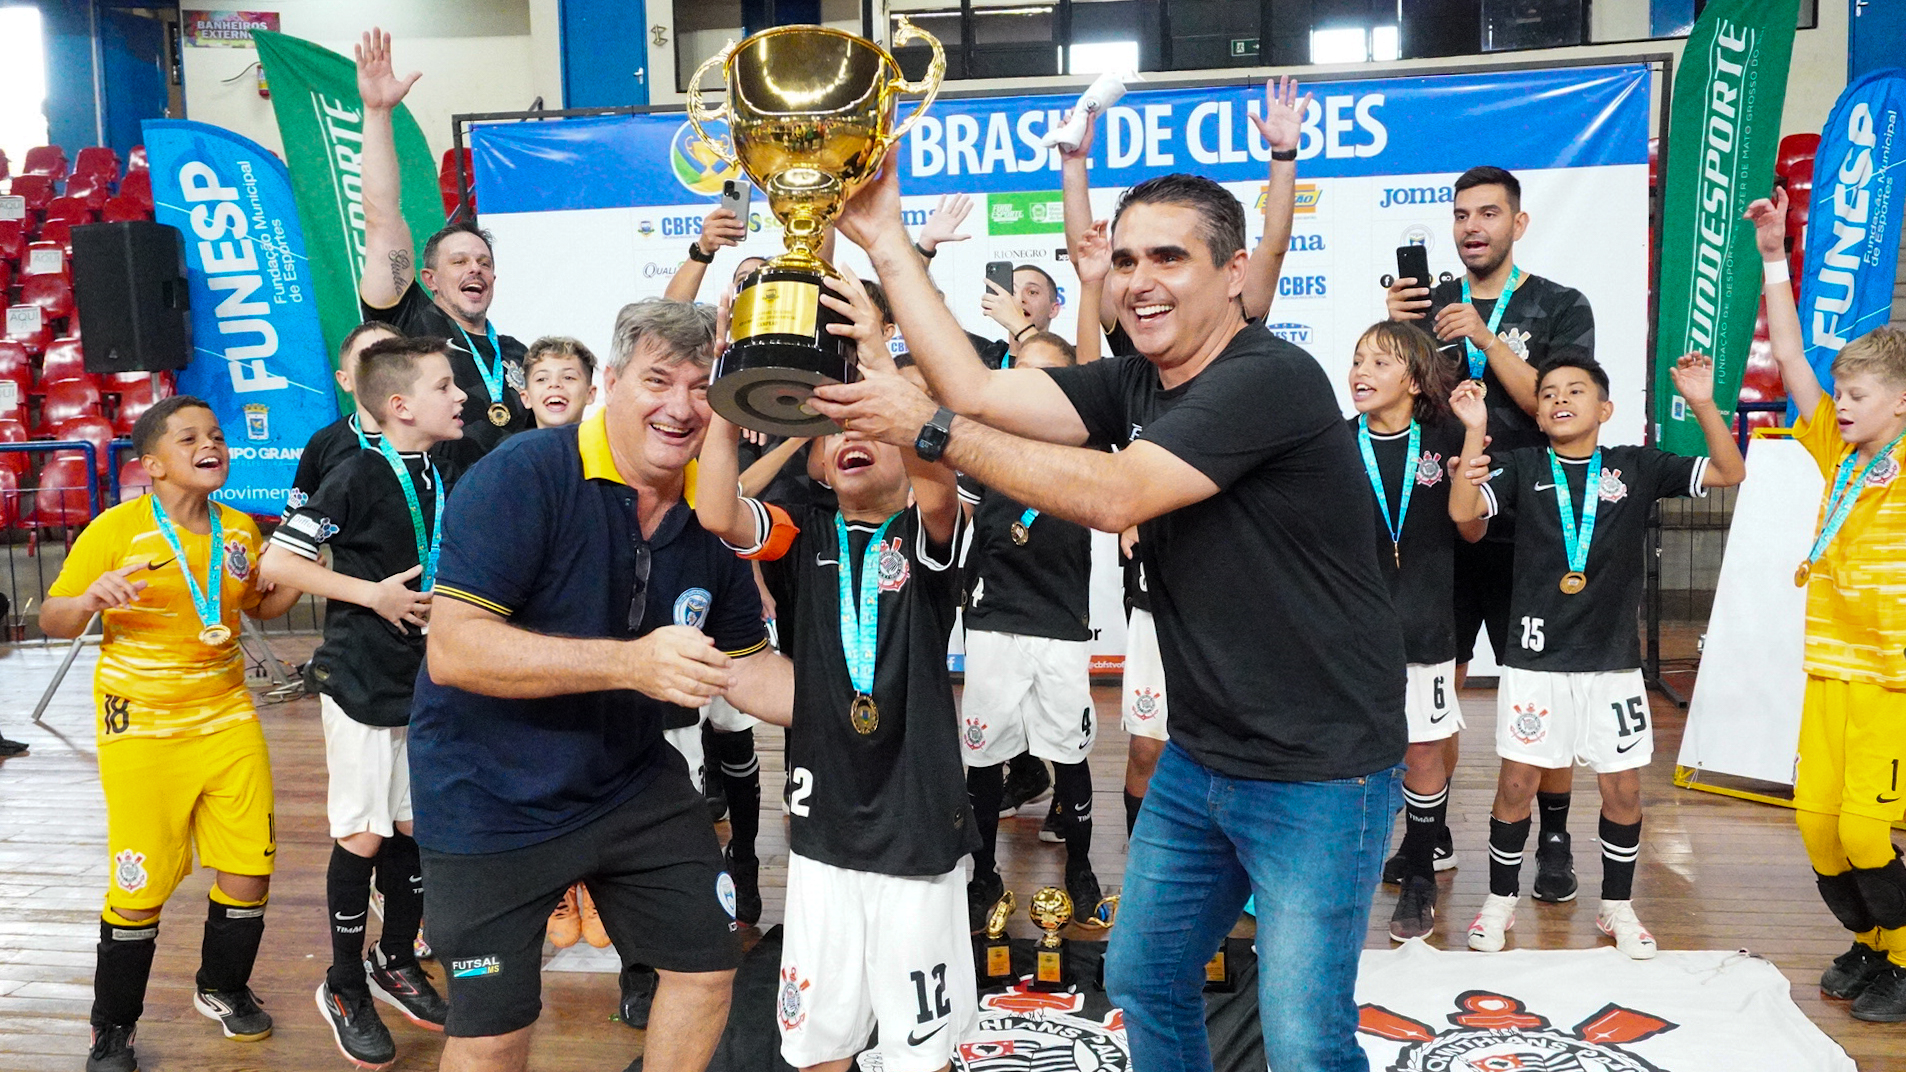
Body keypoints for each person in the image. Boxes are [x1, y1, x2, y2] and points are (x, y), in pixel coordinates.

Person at [812, 159, 1406, 1069]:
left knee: (1304, 1040)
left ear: (1235, 272)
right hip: (1205, 757)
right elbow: (977, 391)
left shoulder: (1271, 379)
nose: (1138, 280)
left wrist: (925, 429)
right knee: (1147, 978)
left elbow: (1118, 494)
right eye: (1125, 260)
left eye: (1168, 257)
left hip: (1320, 774)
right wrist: (890, 241)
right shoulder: (1133, 382)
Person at [409, 298, 789, 1072]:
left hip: (627, 783)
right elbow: (453, 650)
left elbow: (747, 667)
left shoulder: (706, 514)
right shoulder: (524, 474)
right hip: (488, 799)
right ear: (610, 382)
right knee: (491, 1035)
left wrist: (867, 712)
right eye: (658, 381)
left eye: (700, 387)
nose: (680, 408)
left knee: (710, 968)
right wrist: (630, 662)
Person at [695, 276, 975, 1072]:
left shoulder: (931, 532)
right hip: (821, 837)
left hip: (918, 830)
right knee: (817, 1040)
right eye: (835, 425)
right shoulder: (799, 530)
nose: (855, 436)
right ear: (814, 457)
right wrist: (728, 386)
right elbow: (717, 512)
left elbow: (936, 473)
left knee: (923, 1053)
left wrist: (878, 355)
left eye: (874, 424)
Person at [1448, 354, 1743, 959]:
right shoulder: (1521, 465)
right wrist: (1476, 430)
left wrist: (1703, 400)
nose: (1559, 399)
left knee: (1624, 792)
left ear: (1604, 410)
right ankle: (1501, 900)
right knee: (1516, 782)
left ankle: (1617, 907)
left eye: (1575, 391)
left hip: (1612, 665)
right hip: (1535, 662)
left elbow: (1729, 470)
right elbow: (1461, 514)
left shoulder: (1637, 466)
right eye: (1549, 391)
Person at [42, 396, 302, 1072]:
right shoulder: (114, 530)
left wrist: (298, 569)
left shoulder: (239, 529)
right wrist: (88, 597)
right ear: (152, 465)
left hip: (227, 715)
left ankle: (221, 988)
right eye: (188, 438)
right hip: (142, 728)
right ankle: (113, 1029)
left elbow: (258, 605)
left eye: (215, 435)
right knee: (139, 887)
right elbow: (52, 619)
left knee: (250, 868)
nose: (210, 444)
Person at [1385, 165, 1598, 891]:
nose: (1472, 227)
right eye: (1461, 215)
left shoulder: (1559, 306)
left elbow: (1551, 407)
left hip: (1535, 524)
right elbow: (1400, 401)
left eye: (1488, 213)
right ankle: (1430, 830)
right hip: (1446, 521)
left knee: (1543, 686)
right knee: (1435, 683)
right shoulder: (1429, 303)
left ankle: (1557, 839)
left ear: (1518, 223)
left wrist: (1481, 333)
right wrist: (1399, 330)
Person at [261, 336, 470, 1065]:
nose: (462, 397)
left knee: (412, 827)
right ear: (401, 405)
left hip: (420, 679)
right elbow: (278, 560)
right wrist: (372, 595)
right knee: (364, 836)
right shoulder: (352, 474)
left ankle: (394, 960)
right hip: (358, 682)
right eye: (446, 387)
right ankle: (343, 983)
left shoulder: (437, 470)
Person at [1747, 188, 1906, 1019]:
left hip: (1891, 685)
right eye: (1841, 393)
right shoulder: (1836, 453)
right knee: (1817, 825)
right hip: (1829, 673)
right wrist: (1776, 252)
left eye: (1861, 394)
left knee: (1865, 832)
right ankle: (1873, 947)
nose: (1841, 404)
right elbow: (1795, 358)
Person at [1331, 321, 1485, 941]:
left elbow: (1472, 530)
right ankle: (1338, 871)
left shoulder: (1446, 437)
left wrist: (1474, 438)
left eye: (1380, 362)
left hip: (1423, 625)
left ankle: (1419, 872)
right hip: (1348, 632)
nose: (1361, 372)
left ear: (1416, 381)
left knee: (1422, 751)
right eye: (1357, 358)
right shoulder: (1332, 443)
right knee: (1341, 756)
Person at [954, 331, 1105, 928]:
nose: (1032, 385)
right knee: (984, 754)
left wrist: (1091, 285)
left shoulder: (1087, 443)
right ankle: (982, 870)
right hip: (995, 618)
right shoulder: (984, 441)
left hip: (1062, 621)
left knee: (1070, 749)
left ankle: (1080, 867)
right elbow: (967, 517)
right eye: (1023, 371)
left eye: (1050, 375)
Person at [354, 29, 530, 453]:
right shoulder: (411, 325)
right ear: (429, 279)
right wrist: (377, 113)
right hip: (437, 508)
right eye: (460, 262)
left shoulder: (517, 354)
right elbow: (382, 219)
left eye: (484, 263)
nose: (475, 269)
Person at [284, 320, 402, 517]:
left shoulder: (437, 434)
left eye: (393, 356)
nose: (381, 367)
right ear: (344, 380)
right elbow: (293, 522)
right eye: (367, 358)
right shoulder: (324, 444)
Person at [520, 336, 598, 429]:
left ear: (590, 394)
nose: (554, 384)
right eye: (542, 379)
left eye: (568, 377)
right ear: (526, 398)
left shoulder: (606, 443)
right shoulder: (513, 443)